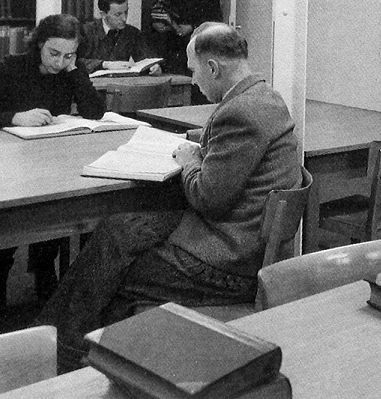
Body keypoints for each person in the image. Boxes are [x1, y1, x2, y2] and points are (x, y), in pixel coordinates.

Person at [39, 22, 301, 371]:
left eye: (194, 72)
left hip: (229, 262)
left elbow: (207, 198)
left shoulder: (241, 112)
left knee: (112, 271)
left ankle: (63, 357)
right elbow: (234, 152)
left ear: (213, 68)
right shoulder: (263, 97)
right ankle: (67, 348)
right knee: (117, 231)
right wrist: (205, 145)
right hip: (239, 236)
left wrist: (192, 160)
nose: (193, 81)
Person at [0, 13, 106, 313]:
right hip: (7, 163)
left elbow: (94, 112)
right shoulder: (12, 68)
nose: (60, 62)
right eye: (54, 53)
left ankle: (44, 268)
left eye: (69, 54)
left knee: (58, 208)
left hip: (50, 160)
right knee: (12, 220)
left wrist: (77, 71)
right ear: (38, 44)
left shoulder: (69, 70)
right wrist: (14, 117)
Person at [152, 0, 223, 76]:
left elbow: (214, 17)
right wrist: (159, 23)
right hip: (175, 42)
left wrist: (192, 27)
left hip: (198, 41)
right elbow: (166, 9)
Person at [77, 0, 162, 74]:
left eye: (126, 12)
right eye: (118, 14)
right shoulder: (86, 31)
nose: (124, 18)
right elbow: (75, 62)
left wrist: (153, 67)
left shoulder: (132, 32)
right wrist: (105, 64)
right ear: (103, 15)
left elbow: (146, 58)